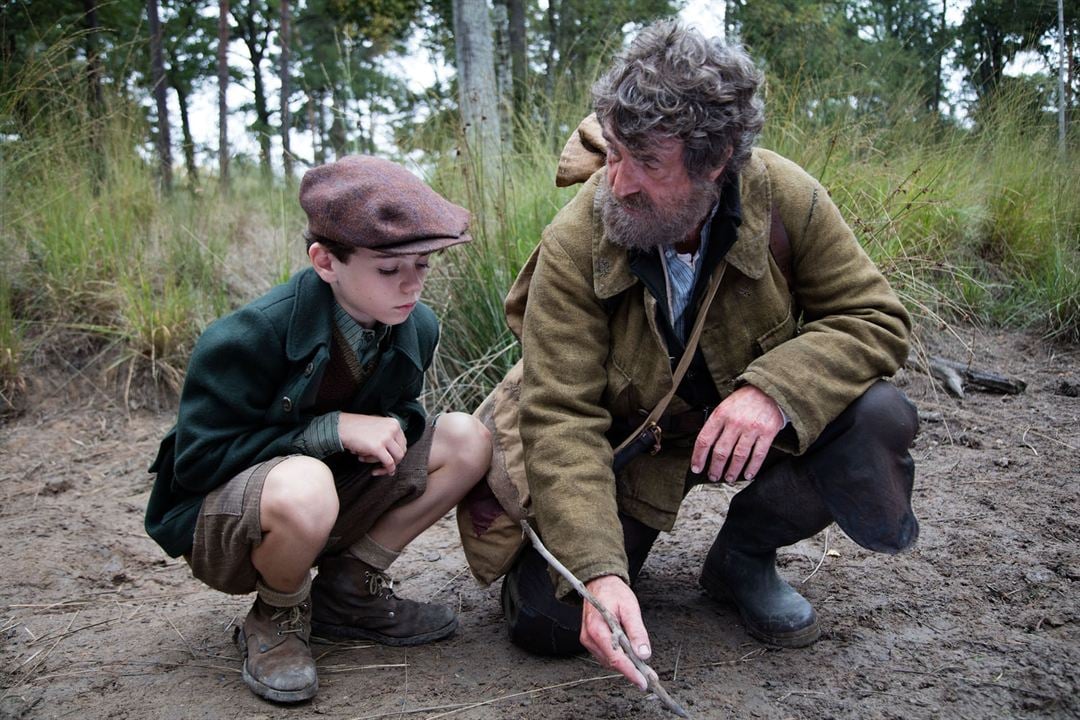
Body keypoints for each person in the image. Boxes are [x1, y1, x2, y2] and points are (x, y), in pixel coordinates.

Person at [499, 20, 920, 690]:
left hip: (753, 434)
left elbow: (874, 319)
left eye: (648, 163)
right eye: (613, 152)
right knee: (549, 626)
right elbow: (560, 416)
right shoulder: (574, 239)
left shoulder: (785, 196)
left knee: (876, 416)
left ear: (717, 159)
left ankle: (742, 556)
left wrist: (775, 391)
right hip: (633, 450)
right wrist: (599, 573)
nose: (620, 183)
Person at [144, 155, 491, 703]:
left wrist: (390, 427)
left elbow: (403, 408)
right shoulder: (246, 335)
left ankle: (349, 592)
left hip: (330, 495)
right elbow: (197, 465)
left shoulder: (416, 325)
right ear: (325, 261)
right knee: (304, 483)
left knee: (467, 438)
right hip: (228, 524)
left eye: (423, 265)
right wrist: (330, 429)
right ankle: (276, 616)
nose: (411, 285)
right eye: (387, 268)